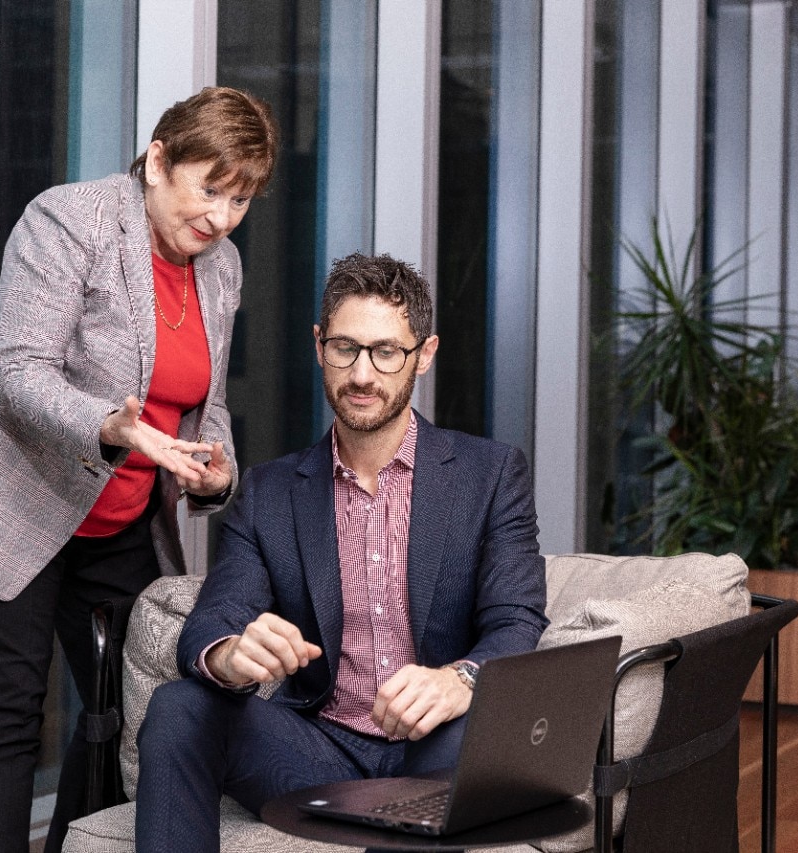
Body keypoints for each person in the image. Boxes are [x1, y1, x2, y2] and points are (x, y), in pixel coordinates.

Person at [0, 86, 279, 853]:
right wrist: (111, 425)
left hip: (118, 515)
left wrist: (216, 470)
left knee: (130, 706)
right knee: (5, 709)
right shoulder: (71, 220)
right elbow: (18, 370)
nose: (221, 217)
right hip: (8, 493)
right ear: (159, 160)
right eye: (210, 189)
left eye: (240, 199)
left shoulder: (222, 268)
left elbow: (206, 404)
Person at [133, 253, 548, 852]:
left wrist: (458, 679)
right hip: (317, 751)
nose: (362, 374)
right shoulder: (271, 492)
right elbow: (213, 619)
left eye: (387, 352)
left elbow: (516, 619)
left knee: (477, 738)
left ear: (424, 354)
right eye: (345, 349)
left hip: (440, 744)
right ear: (318, 346)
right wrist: (229, 655)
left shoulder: (490, 474)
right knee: (179, 708)